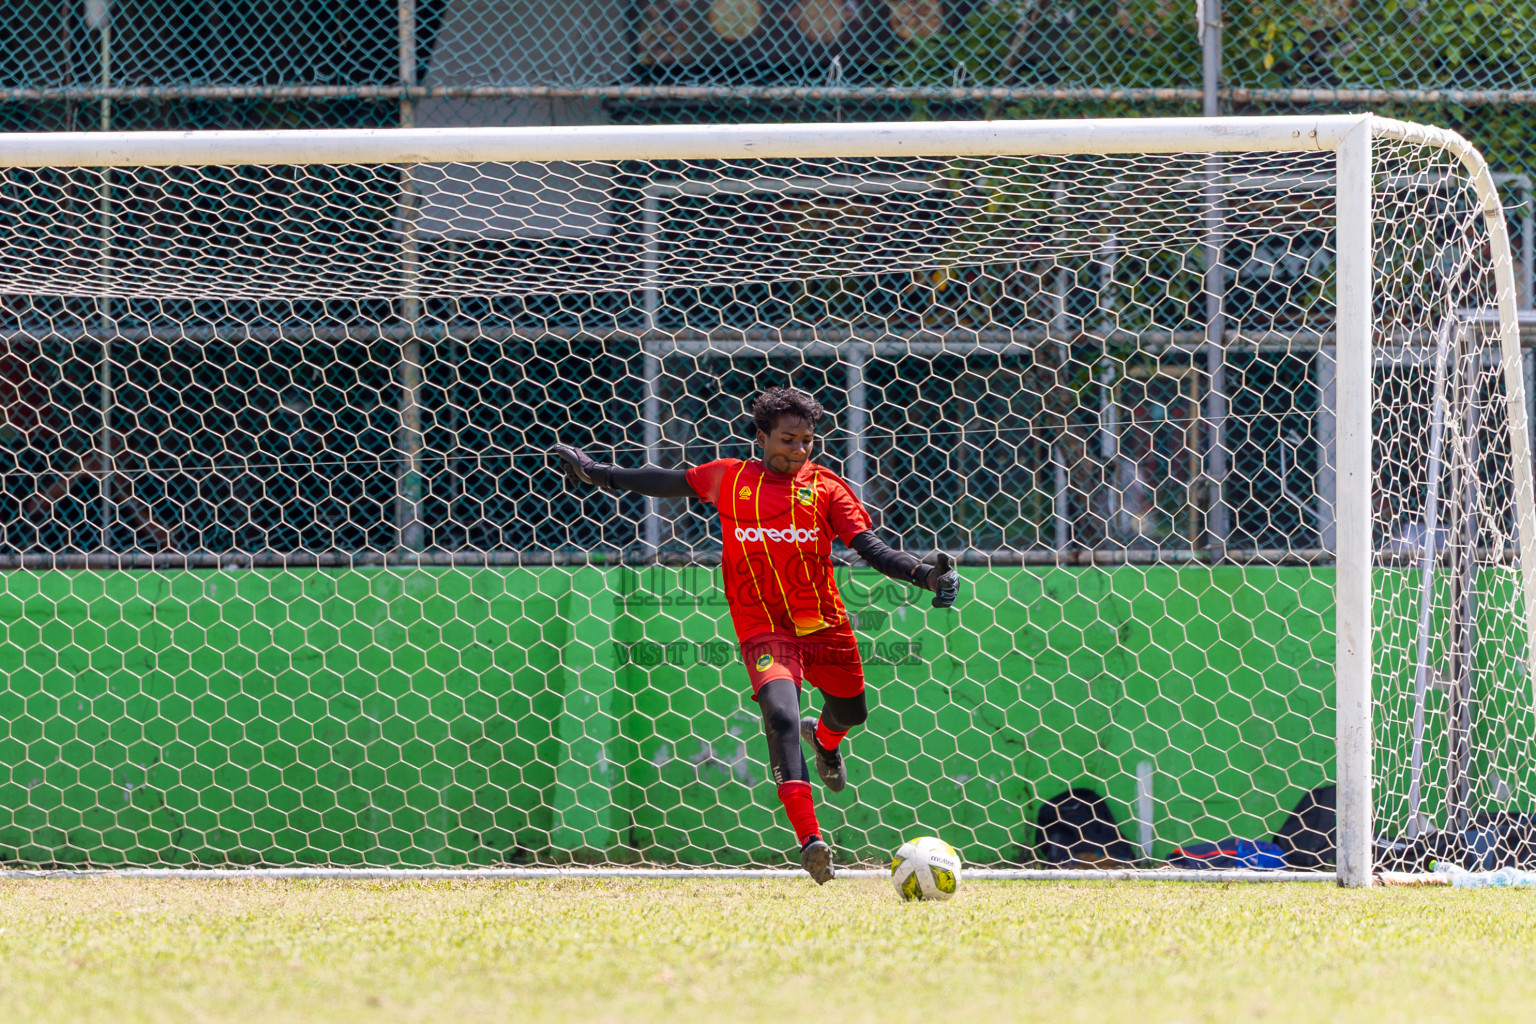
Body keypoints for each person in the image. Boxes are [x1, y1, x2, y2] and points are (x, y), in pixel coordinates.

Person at [552, 386, 958, 883]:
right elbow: (665, 481)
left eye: (808, 440)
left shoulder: (827, 488)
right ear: (761, 436)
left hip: (824, 625)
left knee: (851, 711)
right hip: (764, 628)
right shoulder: (729, 478)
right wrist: (597, 473)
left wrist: (925, 575)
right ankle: (811, 840)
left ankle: (826, 741)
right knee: (781, 716)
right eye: (788, 439)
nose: (799, 449)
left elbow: (869, 548)